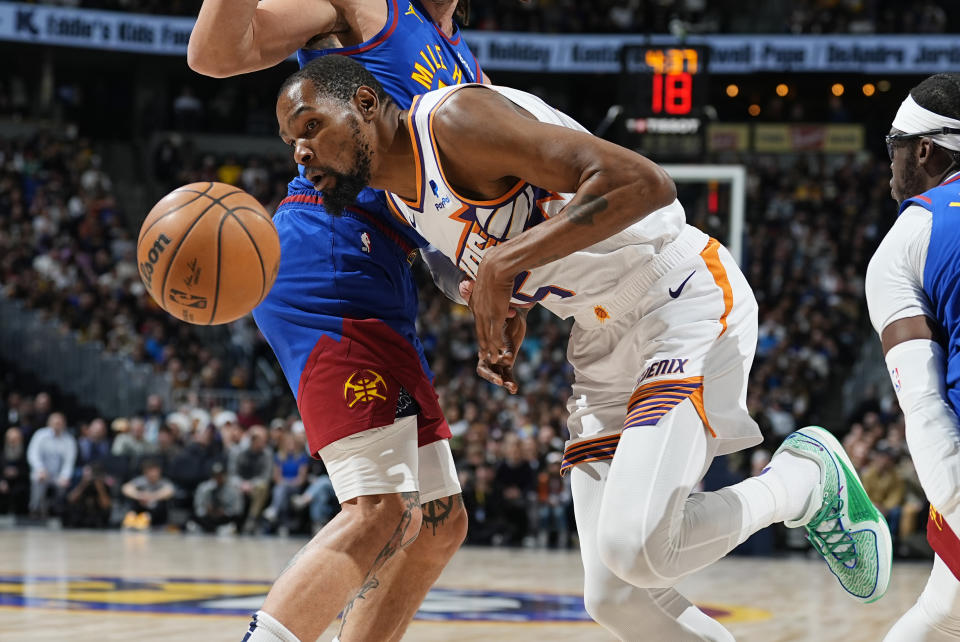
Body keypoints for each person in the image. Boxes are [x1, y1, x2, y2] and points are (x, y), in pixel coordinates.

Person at [277, 55, 895, 639]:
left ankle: (803, 480)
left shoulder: (454, 123)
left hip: (677, 297)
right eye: (290, 140)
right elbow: (526, 238)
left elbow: (644, 182)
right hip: (599, 338)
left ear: (364, 102)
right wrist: (512, 301)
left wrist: (502, 267)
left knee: (638, 546)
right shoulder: (395, 198)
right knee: (614, 598)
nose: (302, 151)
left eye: (312, 125)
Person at [188, 1, 482, 639]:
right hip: (327, 250)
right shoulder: (364, 6)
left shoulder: (460, 55)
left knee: (438, 520)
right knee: (382, 510)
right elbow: (212, 56)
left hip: (386, 267)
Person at [864, 72, 960, 641]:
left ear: (923, 150)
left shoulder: (907, 240)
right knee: (941, 615)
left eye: (893, 146)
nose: (890, 163)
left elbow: (923, 408)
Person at [26, 412, 76, 519]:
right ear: (49, 423)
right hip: (41, 472)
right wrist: (40, 469)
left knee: (63, 486)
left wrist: (65, 476)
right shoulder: (40, 435)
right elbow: (33, 454)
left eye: (60, 423)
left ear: (64, 424)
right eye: (55, 422)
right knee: (37, 480)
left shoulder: (69, 440)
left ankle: (56, 512)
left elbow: (69, 462)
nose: (57, 425)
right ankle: (35, 509)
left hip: (57, 475)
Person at [121, 459, 175, 529]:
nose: (153, 474)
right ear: (145, 472)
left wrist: (151, 496)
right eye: (150, 471)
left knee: (162, 504)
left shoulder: (163, 482)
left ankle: (145, 519)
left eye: (154, 471)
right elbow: (126, 488)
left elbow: (169, 491)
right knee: (132, 506)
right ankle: (134, 519)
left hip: (156, 515)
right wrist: (140, 496)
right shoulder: (141, 481)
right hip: (141, 509)